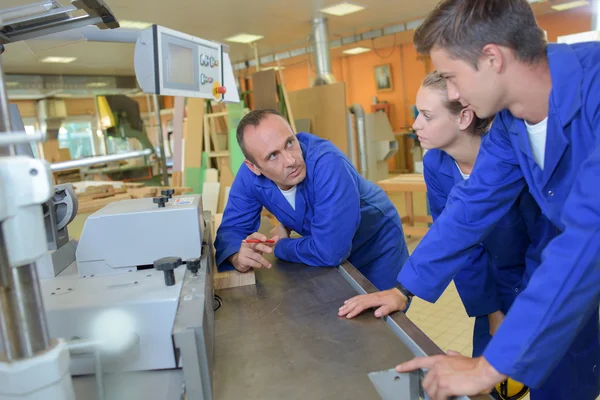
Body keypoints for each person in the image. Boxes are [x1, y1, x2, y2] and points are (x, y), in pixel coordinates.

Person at [338, 1, 600, 399]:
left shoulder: (594, 89)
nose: (454, 94)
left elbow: (587, 234)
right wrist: (402, 289)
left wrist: (489, 366)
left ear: (492, 58)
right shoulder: (512, 123)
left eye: (451, 77)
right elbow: (471, 205)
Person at [214, 108, 409, 291]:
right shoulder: (250, 177)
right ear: (253, 167)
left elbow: (330, 251)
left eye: (290, 143)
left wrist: (279, 246)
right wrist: (236, 257)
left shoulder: (328, 164)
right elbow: (232, 230)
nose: (291, 161)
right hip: (328, 253)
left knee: (379, 322)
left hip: (376, 246)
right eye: (273, 155)